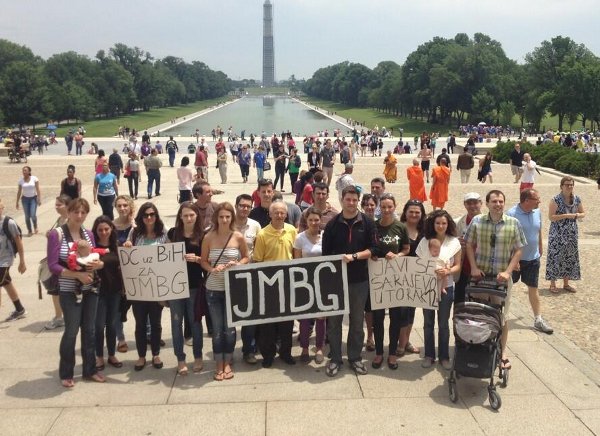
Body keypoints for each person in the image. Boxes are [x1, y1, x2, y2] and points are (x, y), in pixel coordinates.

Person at [465, 190, 526, 371]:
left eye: (500, 201)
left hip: (501, 279)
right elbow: (468, 243)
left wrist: (508, 271)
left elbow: (518, 249)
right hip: (480, 278)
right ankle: (478, 346)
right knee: (478, 314)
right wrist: (474, 267)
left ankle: (502, 351)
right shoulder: (477, 221)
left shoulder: (513, 223)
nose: (498, 204)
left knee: (502, 317)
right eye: (494, 201)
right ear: (487, 203)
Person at [47, 198, 105, 387]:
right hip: (68, 289)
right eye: (76, 212)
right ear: (69, 211)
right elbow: (53, 264)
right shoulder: (57, 234)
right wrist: (75, 275)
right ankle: (66, 371)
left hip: (90, 288)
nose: (79, 216)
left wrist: (99, 264)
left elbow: (93, 256)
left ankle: (90, 369)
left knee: (89, 330)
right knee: (71, 331)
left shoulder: (88, 234)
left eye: (83, 212)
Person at [322, 186, 377, 377]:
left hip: (359, 280)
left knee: (356, 321)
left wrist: (354, 256)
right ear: (342, 200)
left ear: (358, 201)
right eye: (348, 199)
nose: (351, 203)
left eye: (354, 200)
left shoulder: (368, 222)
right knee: (334, 322)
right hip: (336, 281)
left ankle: (354, 357)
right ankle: (336, 358)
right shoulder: (332, 224)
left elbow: (373, 249)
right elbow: (325, 254)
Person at [201, 203, 249, 379]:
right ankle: (218, 362)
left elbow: (246, 257)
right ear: (216, 218)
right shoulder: (209, 237)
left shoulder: (238, 237)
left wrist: (237, 264)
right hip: (213, 289)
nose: (224, 220)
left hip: (232, 288)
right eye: (221, 217)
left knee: (230, 329)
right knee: (217, 329)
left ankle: (228, 361)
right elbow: (203, 260)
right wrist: (212, 269)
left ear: (232, 218)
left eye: (227, 217)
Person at [123, 203, 168, 372]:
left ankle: (155, 353)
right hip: (139, 288)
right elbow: (128, 252)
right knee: (140, 323)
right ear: (141, 217)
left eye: (152, 214)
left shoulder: (164, 233)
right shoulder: (135, 233)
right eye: (145, 215)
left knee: (155, 323)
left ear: (156, 216)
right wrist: (127, 246)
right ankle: (141, 356)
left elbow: (170, 255)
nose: (149, 218)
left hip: (157, 287)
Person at [253, 200, 296, 368]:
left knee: (287, 323)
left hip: (288, 283)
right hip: (268, 285)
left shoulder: (292, 231)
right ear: (270, 214)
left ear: (286, 214)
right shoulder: (262, 235)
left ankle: (286, 352)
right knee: (267, 324)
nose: (279, 215)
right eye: (276, 212)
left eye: (282, 213)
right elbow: (257, 260)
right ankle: (268, 355)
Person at [416, 210, 461, 370]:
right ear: (432, 224)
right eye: (437, 223)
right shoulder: (424, 242)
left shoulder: (454, 242)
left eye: (443, 223)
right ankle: (429, 354)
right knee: (428, 323)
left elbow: (458, 265)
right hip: (427, 287)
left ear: (448, 224)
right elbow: (418, 264)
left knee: (443, 323)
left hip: (446, 287)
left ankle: (444, 356)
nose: (440, 226)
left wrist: (448, 271)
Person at [370, 194, 410, 370]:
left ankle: (392, 353)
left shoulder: (400, 227)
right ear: (380, 207)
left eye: (390, 207)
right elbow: (369, 247)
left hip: (395, 279)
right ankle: (379, 352)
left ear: (395, 207)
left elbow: (406, 249)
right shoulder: (374, 226)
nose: (386, 210)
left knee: (395, 318)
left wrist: (398, 255)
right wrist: (373, 255)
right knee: (378, 318)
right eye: (383, 207)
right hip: (377, 278)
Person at [507, 189, 554, 334]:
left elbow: (538, 230)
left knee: (533, 288)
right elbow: (508, 238)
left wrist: (540, 245)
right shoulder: (511, 214)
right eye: (537, 199)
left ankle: (538, 319)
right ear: (526, 200)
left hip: (533, 258)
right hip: (516, 260)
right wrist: (513, 260)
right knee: (506, 288)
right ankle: (499, 315)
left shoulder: (536, 212)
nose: (539, 201)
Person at [167, 202, 206, 375]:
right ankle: (180, 359)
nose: (189, 218)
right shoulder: (173, 233)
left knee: (195, 322)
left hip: (194, 285)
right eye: (185, 215)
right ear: (180, 217)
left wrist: (196, 259)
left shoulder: (203, 235)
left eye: (192, 215)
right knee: (176, 323)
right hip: (175, 285)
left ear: (197, 216)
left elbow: (207, 260)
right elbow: (163, 259)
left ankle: (198, 356)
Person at [293, 207, 326, 364]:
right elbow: (296, 262)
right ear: (306, 221)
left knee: (321, 318)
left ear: (320, 221)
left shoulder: (325, 237)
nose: (314, 223)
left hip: (322, 282)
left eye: (316, 220)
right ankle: (305, 348)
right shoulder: (300, 238)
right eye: (311, 220)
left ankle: (319, 348)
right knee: (305, 319)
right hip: (305, 283)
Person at [92, 216, 124, 371]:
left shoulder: (117, 246)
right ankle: (99, 356)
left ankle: (111, 354)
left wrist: (104, 263)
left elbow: (121, 260)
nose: (103, 232)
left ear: (112, 229)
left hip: (115, 291)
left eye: (106, 229)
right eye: (100, 230)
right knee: (98, 326)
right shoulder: (91, 247)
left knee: (111, 325)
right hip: (98, 291)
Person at [234, 194, 262, 364]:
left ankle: (248, 350)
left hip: (250, 275)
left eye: (248, 206)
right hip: (229, 276)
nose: (245, 209)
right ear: (236, 206)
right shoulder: (227, 224)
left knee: (249, 317)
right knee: (229, 318)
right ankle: (226, 353)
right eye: (242, 205)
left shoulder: (255, 226)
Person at [397, 199, 426, 357]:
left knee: (411, 311)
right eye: (411, 212)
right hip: (399, 277)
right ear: (405, 213)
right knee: (401, 312)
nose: (414, 215)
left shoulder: (425, 232)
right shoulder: (398, 228)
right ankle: (401, 342)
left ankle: (405, 341)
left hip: (417, 277)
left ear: (421, 214)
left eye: (417, 212)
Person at [545, 177, 584, 294]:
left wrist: (576, 214)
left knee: (569, 257)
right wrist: (566, 215)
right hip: (557, 233)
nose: (569, 187)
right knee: (555, 256)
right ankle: (552, 284)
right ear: (561, 186)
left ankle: (566, 284)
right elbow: (551, 217)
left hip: (572, 233)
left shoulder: (577, 198)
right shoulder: (555, 199)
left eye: (571, 185)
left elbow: (583, 213)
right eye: (567, 184)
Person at [44, 195, 70, 330]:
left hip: (63, 260)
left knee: (58, 291)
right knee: (55, 291)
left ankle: (62, 317)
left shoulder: (70, 220)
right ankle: (59, 316)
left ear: (67, 205)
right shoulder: (60, 219)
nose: (56, 206)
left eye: (59, 204)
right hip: (56, 258)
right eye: (56, 204)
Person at [113, 195, 135, 353]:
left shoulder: (137, 225)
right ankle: (120, 338)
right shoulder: (111, 225)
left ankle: (148, 333)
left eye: (125, 205)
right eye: (119, 206)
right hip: (118, 274)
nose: (122, 208)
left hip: (136, 272)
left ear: (130, 207)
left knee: (143, 304)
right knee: (118, 309)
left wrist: (134, 225)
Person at [0, 198, 27, 322]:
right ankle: (19, 309)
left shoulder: (8, 222)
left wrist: (22, 261)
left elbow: (18, 241)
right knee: (6, 282)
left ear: (2, 207)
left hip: (5, 260)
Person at [454, 192, 483, 304]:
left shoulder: (489, 222)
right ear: (465, 205)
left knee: (478, 303)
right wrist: (456, 241)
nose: (472, 206)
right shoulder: (457, 223)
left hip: (481, 269)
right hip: (462, 269)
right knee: (459, 302)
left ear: (481, 203)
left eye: (475, 202)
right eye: (469, 203)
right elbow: (447, 242)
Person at [360, 193, 377, 351]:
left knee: (372, 308)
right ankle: (364, 337)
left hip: (377, 271)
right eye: (367, 205)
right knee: (363, 308)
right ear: (362, 206)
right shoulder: (359, 223)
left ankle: (371, 336)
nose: (370, 207)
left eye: (372, 205)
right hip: (361, 271)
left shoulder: (379, 224)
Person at [16, 165, 42, 236]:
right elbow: (19, 191)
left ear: (29, 172)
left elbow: (38, 189)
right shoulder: (20, 181)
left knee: (33, 214)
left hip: (33, 198)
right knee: (27, 216)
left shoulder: (34, 179)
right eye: (23, 170)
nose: (24, 172)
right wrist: (17, 202)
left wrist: (39, 199)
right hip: (25, 199)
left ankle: (35, 226)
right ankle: (29, 230)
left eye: (25, 170)